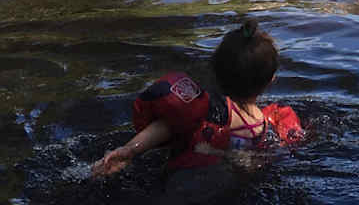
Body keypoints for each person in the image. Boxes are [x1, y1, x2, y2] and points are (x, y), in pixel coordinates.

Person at [92, 18, 303, 184]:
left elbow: (166, 125)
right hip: (221, 187)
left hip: (180, 180)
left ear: (215, 70)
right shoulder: (264, 127)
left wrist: (130, 150)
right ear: (270, 81)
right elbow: (251, 165)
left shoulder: (209, 108)